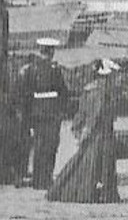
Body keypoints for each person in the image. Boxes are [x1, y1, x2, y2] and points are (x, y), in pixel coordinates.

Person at [48, 59, 122, 203]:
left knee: (84, 162)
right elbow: (96, 114)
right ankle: (101, 193)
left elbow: (81, 112)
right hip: (101, 133)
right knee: (100, 164)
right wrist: (87, 131)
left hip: (94, 132)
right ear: (107, 76)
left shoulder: (90, 89)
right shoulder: (103, 92)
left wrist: (79, 129)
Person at [19, 38, 71, 190]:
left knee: (39, 146)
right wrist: (62, 110)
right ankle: (46, 179)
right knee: (51, 146)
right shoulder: (55, 69)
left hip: (37, 113)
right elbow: (63, 92)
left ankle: (37, 179)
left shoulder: (31, 69)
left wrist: (28, 115)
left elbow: (26, 94)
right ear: (51, 51)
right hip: (52, 113)